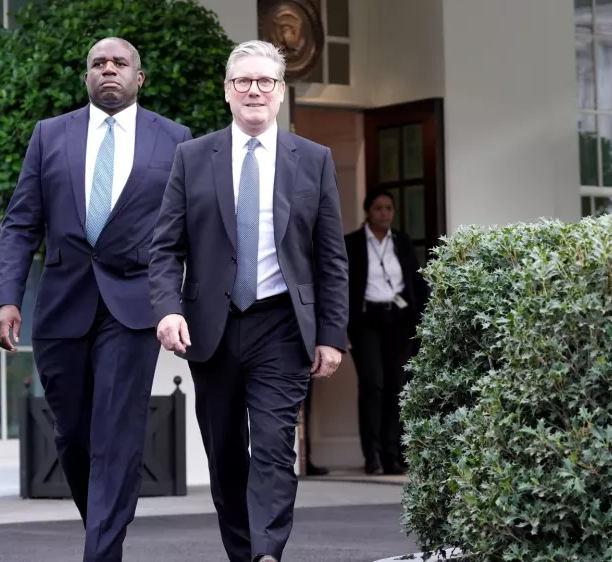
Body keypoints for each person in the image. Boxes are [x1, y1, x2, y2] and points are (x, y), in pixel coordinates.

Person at [0, 37, 192, 562]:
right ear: (86, 77)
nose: (109, 70)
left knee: (117, 436)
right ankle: (101, 530)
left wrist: (183, 301)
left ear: (138, 78)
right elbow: (20, 223)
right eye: (98, 64)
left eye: (119, 63)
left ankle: (101, 553)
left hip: (133, 307)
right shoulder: (49, 135)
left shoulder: (174, 140)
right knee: (73, 437)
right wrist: (5, 298)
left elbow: (187, 230)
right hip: (62, 305)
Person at [148, 40, 349, 562]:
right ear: (227, 92)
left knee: (276, 447)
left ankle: (267, 554)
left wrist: (330, 335)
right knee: (225, 453)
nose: (254, 90)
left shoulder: (315, 160)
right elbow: (167, 246)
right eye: (243, 81)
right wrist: (168, 308)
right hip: (210, 327)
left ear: (281, 92)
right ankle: (243, 552)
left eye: (265, 81)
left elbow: (331, 258)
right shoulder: (192, 158)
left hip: (282, 326)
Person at [344, 189, 428, 476]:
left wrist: (423, 319)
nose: (384, 213)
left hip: (399, 319)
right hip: (366, 319)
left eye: (389, 208)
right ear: (368, 211)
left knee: (397, 385)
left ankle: (393, 453)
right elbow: (340, 285)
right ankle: (373, 455)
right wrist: (338, 326)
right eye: (378, 208)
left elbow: (415, 280)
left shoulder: (402, 242)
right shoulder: (353, 243)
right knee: (373, 384)